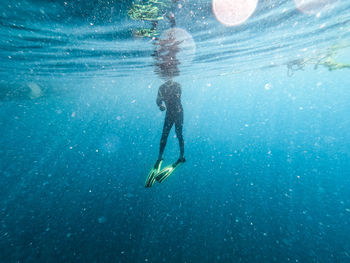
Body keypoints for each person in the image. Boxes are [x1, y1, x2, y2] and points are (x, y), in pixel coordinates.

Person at [156, 78, 185, 164]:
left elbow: (177, 96)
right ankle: (160, 157)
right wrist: (160, 105)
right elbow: (158, 100)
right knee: (165, 134)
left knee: (179, 134)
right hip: (170, 113)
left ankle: (182, 156)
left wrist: (161, 103)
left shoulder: (177, 85)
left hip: (178, 113)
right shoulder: (161, 88)